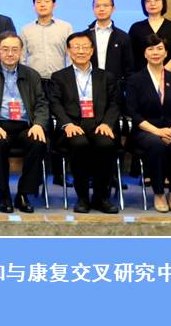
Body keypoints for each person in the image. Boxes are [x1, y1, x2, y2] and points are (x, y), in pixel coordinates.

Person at [0, 31, 48, 214]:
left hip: (25, 126)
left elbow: (42, 103)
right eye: (5, 49)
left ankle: (23, 194)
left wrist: (38, 124)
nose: (10, 53)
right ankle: (4, 194)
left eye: (15, 49)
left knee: (38, 142)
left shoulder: (31, 75)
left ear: (21, 51)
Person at [49, 32, 120, 214]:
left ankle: (101, 197)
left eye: (85, 47)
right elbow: (55, 104)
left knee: (106, 144)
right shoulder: (59, 77)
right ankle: (82, 198)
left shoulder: (106, 76)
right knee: (79, 144)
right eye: (76, 47)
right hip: (73, 125)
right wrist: (67, 124)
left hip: (99, 124)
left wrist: (107, 123)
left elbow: (114, 103)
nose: (81, 51)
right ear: (68, 51)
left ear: (92, 51)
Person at [126, 34, 171, 213]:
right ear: (144, 54)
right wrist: (157, 131)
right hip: (146, 130)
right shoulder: (135, 80)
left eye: (159, 49)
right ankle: (159, 192)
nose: (155, 53)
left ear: (166, 53)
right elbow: (133, 112)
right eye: (151, 49)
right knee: (156, 144)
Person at [20, 0, 73, 83]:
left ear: (54, 5)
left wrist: (70, 78)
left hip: (59, 80)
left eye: (46, 1)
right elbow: (22, 58)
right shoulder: (26, 30)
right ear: (34, 6)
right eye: (38, 2)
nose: (42, 5)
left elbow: (70, 56)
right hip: (34, 81)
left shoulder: (66, 27)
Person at [86, 0, 133, 96]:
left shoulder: (123, 37)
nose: (101, 9)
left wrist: (124, 89)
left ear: (113, 9)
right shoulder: (85, 36)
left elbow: (129, 68)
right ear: (93, 9)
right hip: (89, 90)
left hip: (115, 91)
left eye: (106, 5)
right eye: (97, 6)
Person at [128, 0, 171, 72]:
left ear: (163, 2)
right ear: (144, 4)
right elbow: (130, 54)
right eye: (148, 1)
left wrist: (164, 71)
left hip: (168, 75)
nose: (152, 3)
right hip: (141, 76)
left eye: (156, 0)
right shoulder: (136, 28)